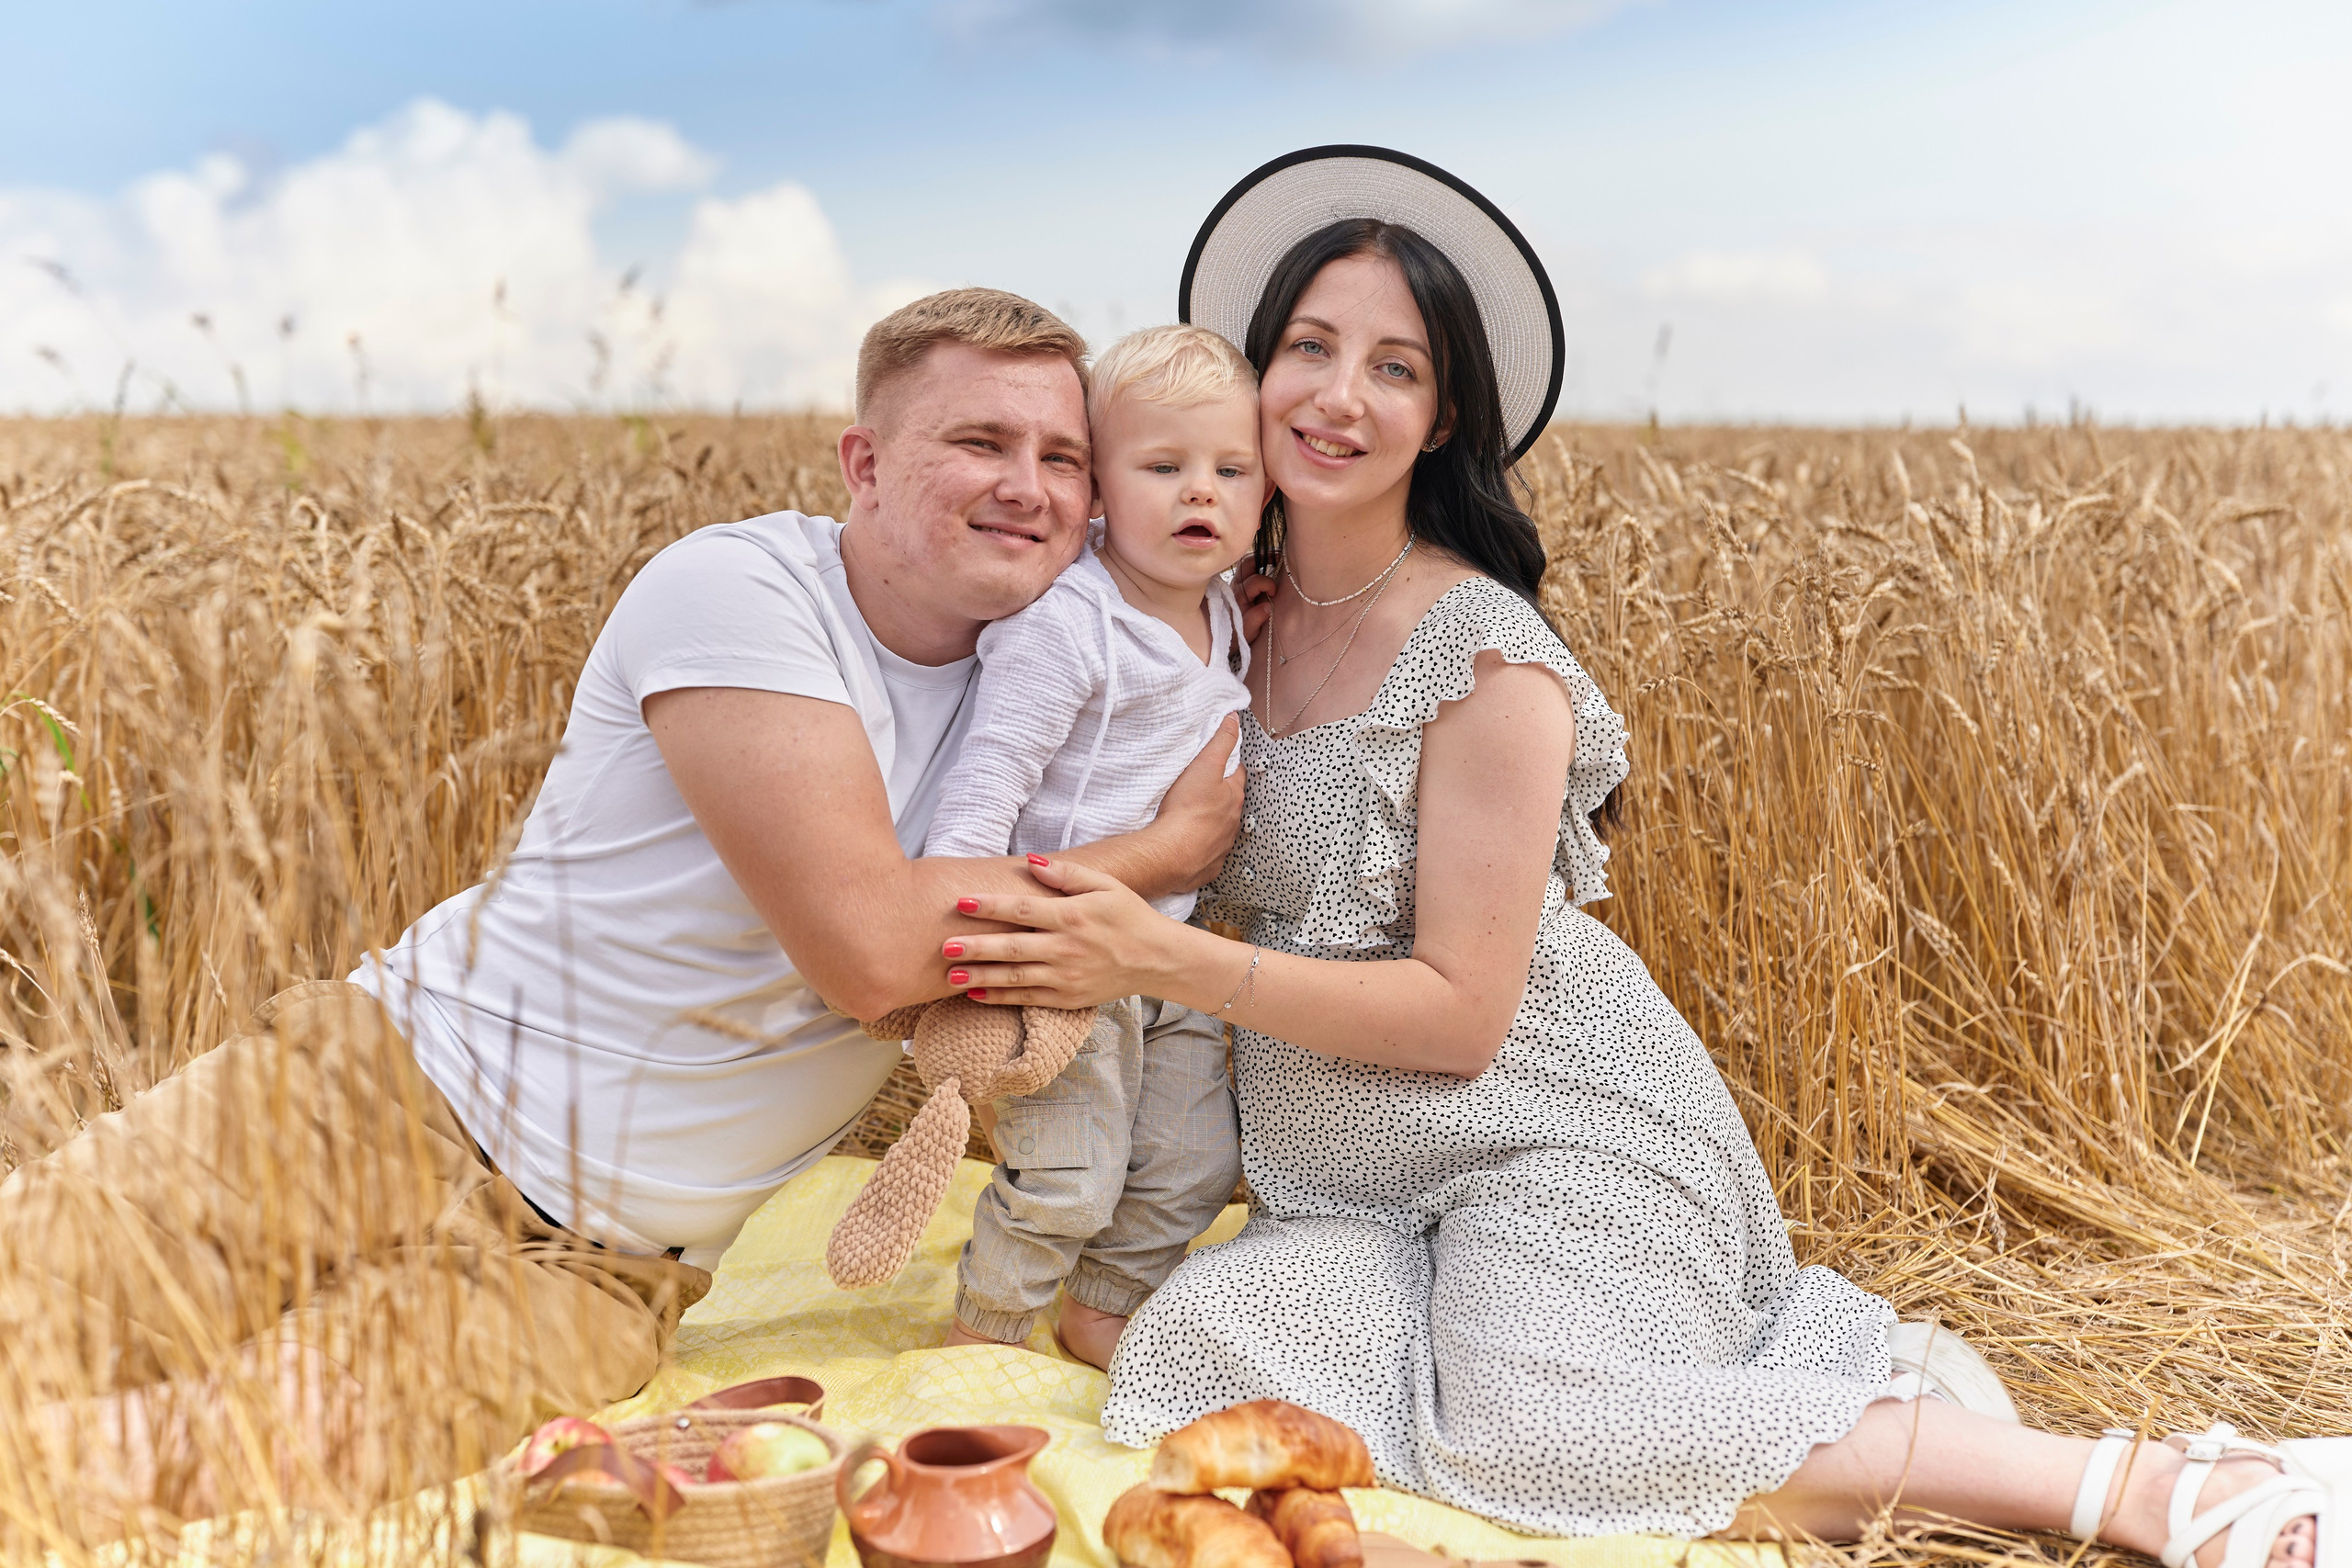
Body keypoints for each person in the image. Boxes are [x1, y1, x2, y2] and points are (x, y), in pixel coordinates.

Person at [930, 151, 2335, 1568]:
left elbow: (1463, 1016)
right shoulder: (1218, 611)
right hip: (1355, 1181)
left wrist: (1161, 958)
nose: (1338, 395)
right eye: (1308, 346)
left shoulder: (1487, 659)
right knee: (1181, 1345)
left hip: (1557, 1128)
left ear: (1444, 415)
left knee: (1532, 1424)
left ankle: (2131, 1481)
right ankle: (1802, 1397)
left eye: (1395, 367)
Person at [0, 287, 1244, 1531]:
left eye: (1063, 458)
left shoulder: (1080, 673)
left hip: (593, 1277)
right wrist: (1165, 852)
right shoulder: (743, 590)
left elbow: (1244, 578)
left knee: (147, 1465)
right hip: (374, 1102)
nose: (1028, 486)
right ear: (864, 463)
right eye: (981, 441)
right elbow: (872, 950)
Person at [921, 323, 1259, 1368]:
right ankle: (985, 1333)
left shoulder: (1221, 611)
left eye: (1231, 470)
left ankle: (1103, 1306)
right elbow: (982, 795)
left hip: (1168, 954)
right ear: (1100, 487)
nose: (1199, 491)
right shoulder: (1068, 626)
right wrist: (973, 960)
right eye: (1163, 467)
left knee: (1195, 1162)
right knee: (1068, 1177)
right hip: (1061, 963)